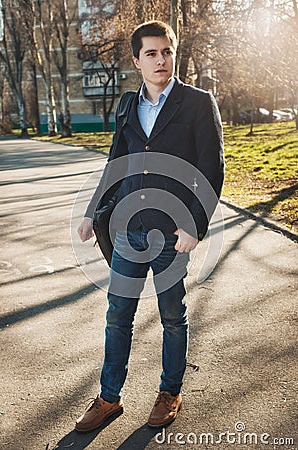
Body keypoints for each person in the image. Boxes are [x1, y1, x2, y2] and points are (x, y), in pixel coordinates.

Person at [76, 20, 224, 432]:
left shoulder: (197, 102)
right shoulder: (127, 104)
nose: (161, 60)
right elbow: (115, 163)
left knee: (172, 316)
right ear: (137, 59)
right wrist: (92, 211)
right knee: (118, 314)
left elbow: (212, 169)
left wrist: (195, 225)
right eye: (151, 53)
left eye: (166, 52)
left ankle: (169, 391)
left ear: (173, 54)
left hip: (171, 234)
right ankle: (109, 399)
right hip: (127, 230)